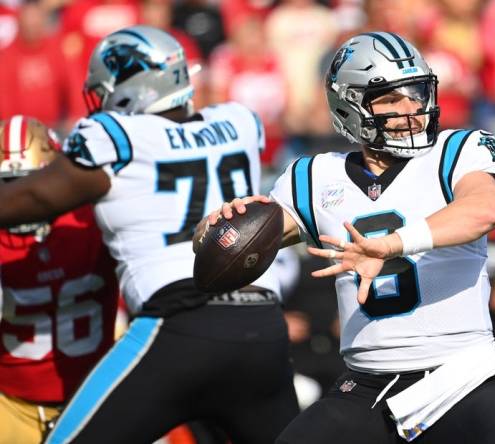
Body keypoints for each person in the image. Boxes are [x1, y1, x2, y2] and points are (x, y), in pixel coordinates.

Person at [199, 32, 495, 444]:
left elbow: (484, 211)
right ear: (350, 106)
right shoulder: (313, 177)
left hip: (461, 378)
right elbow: (242, 245)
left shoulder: (460, 149)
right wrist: (214, 231)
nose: (411, 109)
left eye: (416, 93)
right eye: (390, 99)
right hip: (366, 386)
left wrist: (392, 244)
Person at [0, 26, 298, 444]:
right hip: (262, 328)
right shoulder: (239, 121)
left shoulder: (116, 138)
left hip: (177, 329)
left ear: (127, 88)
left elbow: (30, 196)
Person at [0, 116, 119, 444]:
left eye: (28, 185)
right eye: (7, 185)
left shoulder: (92, 223)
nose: (19, 199)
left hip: (92, 398)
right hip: (10, 404)